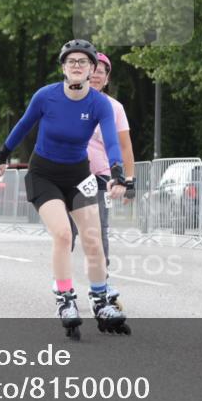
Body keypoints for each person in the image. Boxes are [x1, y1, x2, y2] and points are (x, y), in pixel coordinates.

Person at [0, 39, 130, 339]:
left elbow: (112, 140)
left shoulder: (100, 103)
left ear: (92, 69)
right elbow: (23, 126)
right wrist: (1, 155)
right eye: (71, 61)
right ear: (63, 67)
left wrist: (118, 170)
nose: (77, 66)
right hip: (44, 174)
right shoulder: (46, 96)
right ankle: (65, 299)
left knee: (93, 239)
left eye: (83, 62)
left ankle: (101, 300)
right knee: (64, 234)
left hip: (79, 175)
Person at [70, 52, 136, 304]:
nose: (96, 75)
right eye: (93, 69)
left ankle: (101, 285)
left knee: (98, 232)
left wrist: (128, 181)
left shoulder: (114, 107)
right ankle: (64, 288)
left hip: (99, 178)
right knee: (67, 232)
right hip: (68, 175)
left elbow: (125, 147)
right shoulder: (69, 101)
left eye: (102, 72)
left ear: (107, 78)